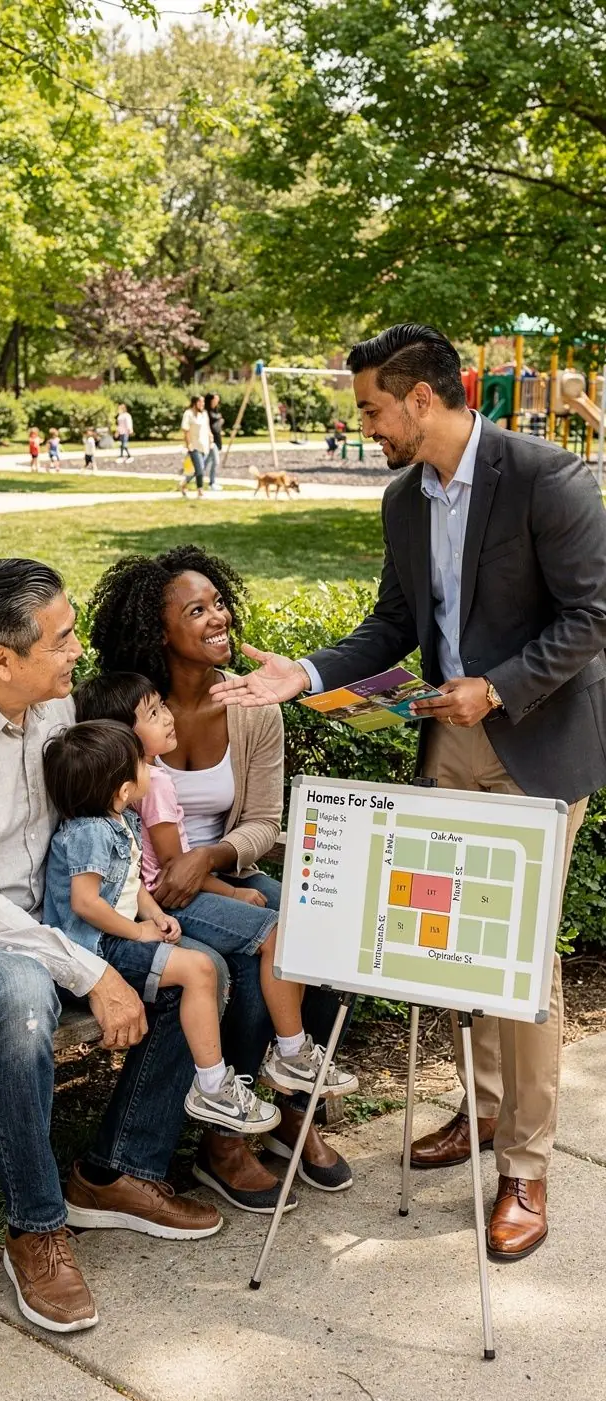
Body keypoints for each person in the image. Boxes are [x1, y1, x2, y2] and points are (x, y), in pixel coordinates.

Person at [211, 322, 606, 1262]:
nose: (369, 425)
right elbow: (393, 624)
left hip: (538, 745)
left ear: (422, 398)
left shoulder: (547, 476)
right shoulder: (403, 499)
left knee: (519, 964)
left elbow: (594, 614)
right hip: (448, 746)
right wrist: (300, 675)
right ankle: (484, 1109)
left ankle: (526, 1166)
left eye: (373, 409)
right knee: (453, 948)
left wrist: (499, 687)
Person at [0, 559, 224, 1340]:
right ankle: (37, 1229)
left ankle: (120, 1171)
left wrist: (128, 923)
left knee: (208, 961)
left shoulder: (52, 714)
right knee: (21, 996)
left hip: (44, 926)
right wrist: (88, 968)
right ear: (1, 659)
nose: (78, 650)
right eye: (61, 640)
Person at [88, 546, 355, 1213]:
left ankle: (294, 1108)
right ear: (158, 631)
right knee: (264, 938)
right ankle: (224, 1138)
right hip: (147, 884)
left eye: (218, 602)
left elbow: (264, 821)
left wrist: (209, 860)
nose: (218, 618)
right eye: (197, 610)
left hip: (216, 867)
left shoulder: (253, 708)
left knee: (313, 925)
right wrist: (175, 876)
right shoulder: (124, 710)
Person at [73, 671, 354, 1098]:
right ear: (124, 736)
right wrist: (233, 892)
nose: (168, 717)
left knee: (303, 926)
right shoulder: (155, 785)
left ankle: (286, 1066)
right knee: (278, 933)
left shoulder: (134, 784)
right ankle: (291, 1053)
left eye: (162, 706)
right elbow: (172, 868)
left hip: (166, 894)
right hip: (176, 897)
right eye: (153, 713)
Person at [42, 718, 280, 1134]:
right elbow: (84, 902)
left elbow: (130, 884)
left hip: (116, 937)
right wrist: (137, 931)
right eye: (140, 763)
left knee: (201, 970)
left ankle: (212, 1083)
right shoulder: (89, 833)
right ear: (122, 790)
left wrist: (156, 915)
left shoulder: (121, 821)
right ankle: (211, 1086)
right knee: (200, 969)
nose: (149, 767)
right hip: (93, 950)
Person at [180, 395, 210, 498]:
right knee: (200, 469)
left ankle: (184, 483)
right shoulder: (188, 414)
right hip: (194, 446)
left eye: (203, 402)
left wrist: (211, 439)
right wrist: (189, 444)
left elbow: (207, 428)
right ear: (195, 403)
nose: (203, 404)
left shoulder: (204, 414)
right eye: (200, 402)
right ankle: (200, 490)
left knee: (198, 470)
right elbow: (185, 430)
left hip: (204, 446)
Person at [204, 392, 223, 491]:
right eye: (215, 399)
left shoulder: (215, 410)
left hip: (217, 438)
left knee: (206, 462)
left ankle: (190, 478)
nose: (217, 401)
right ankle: (212, 483)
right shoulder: (206, 412)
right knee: (215, 461)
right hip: (211, 440)